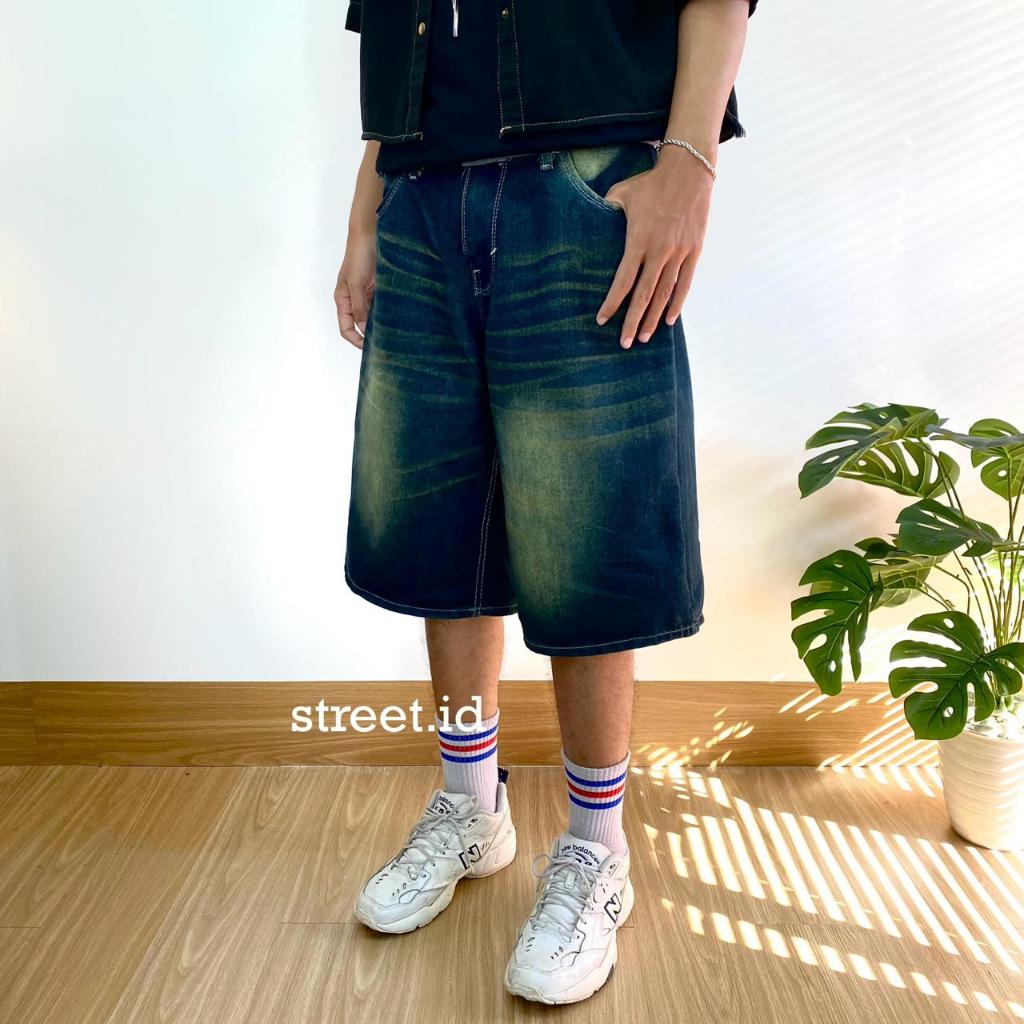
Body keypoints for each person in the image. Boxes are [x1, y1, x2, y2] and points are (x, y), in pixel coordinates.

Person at [335, 0, 754, 1005]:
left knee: (588, 527)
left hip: (585, 180)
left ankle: (597, 846)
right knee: (442, 526)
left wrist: (689, 166)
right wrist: (363, 218)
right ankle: (470, 805)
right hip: (421, 191)